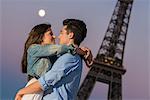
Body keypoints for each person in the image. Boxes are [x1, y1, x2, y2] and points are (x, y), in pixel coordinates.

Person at [15, 19, 93, 100]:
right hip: (34, 86)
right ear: (41, 37)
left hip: (37, 87)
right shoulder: (35, 49)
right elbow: (57, 49)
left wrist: (21, 92)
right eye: (50, 34)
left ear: (70, 35)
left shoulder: (68, 57)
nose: (57, 36)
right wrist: (79, 51)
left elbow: (46, 81)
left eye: (61, 32)